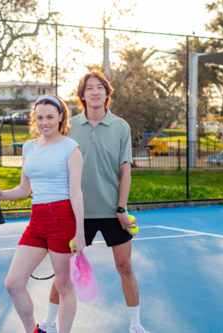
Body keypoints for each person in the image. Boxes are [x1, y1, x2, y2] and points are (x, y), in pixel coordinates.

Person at [38, 70, 150, 333]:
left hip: (112, 212)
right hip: (76, 213)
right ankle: (48, 323)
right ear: (82, 95)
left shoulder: (121, 126)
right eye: (89, 88)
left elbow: (125, 171)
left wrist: (121, 209)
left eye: (100, 87)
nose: (95, 91)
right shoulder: (69, 127)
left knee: (125, 266)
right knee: (64, 274)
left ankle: (135, 325)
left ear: (107, 94)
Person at [0, 95, 85, 333]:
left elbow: (76, 193)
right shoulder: (29, 147)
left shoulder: (71, 148)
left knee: (63, 286)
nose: (44, 122)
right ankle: (34, 331)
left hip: (63, 221)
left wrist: (80, 233)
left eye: (50, 117)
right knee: (13, 284)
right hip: (37, 221)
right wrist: (2, 194)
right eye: (39, 117)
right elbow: (25, 188)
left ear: (61, 117)